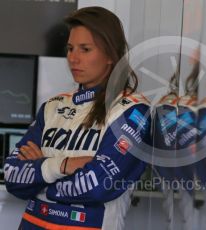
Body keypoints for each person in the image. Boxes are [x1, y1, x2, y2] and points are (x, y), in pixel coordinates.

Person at [4, 6, 151, 230]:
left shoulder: (132, 110)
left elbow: (99, 185)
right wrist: (62, 166)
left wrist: (40, 175)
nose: (73, 58)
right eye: (70, 48)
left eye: (85, 49)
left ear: (110, 55)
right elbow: (13, 176)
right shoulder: (52, 107)